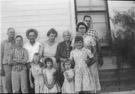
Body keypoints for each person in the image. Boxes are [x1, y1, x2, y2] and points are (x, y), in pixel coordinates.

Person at [83, 15, 102, 92]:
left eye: (89, 21)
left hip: (93, 56)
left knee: (93, 74)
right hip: (84, 58)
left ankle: (94, 91)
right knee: (86, 75)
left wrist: (99, 56)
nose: (87, 22)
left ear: (90, 22)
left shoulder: (93, 32)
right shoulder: (79, 32)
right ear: (83, 21)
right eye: (86, 21)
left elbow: (98, 44)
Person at [24, 28, 41, 93]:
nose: (31, 37)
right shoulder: (25, 45)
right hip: (29, 65)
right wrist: (28, 64)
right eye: (30, 35)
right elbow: (25, 56)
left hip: (37, 64)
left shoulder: (39, 44)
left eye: (33, 35)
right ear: (28, 36)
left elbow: (40, 55)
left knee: (38, 80)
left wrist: (39, 64)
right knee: (30, 80)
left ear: (35, 36)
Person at [1, 27, 16, 93]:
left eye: (13, 32)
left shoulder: (17, 42)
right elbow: (0, 55)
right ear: (7, 33)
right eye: (10, 32)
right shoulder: (3, 43)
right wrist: (0, 68)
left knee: (15, 81)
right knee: (8, 81)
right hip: (6, 65)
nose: (12, 33)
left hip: (15, 64)